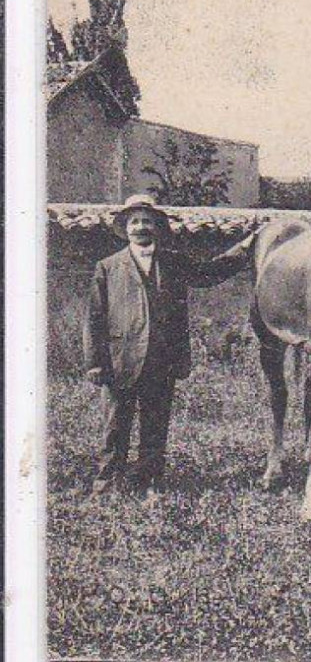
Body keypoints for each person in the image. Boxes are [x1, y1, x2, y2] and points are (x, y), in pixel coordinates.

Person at [83, 193, 250, 496]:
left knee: (155, 425)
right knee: (115, 426)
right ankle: (107, 484)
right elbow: (94, 318)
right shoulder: (107, 267)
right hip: (120, 359)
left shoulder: (173, 262)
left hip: (162, 359)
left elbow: (207, 274)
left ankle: (149, 481)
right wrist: (95, 362)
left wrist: (244, 251)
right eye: (134, 221)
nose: (141, 227)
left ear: (157, 227)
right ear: (126, 228)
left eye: (147, 221)